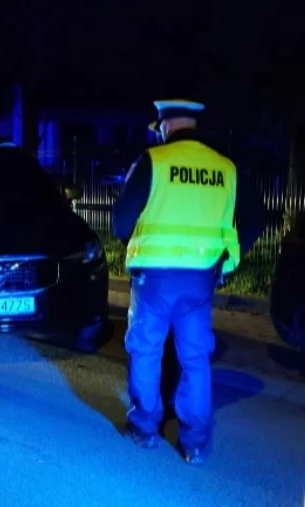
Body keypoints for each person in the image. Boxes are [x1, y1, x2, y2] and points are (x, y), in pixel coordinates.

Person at [112, 99, 241, 465]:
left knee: (147, 351)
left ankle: (145, 429)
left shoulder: (154, 162)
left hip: (154, 279)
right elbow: (229, 226)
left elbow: (121, 222)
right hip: (200, 280)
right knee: (196, 359)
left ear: (165, 125)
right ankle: (195, 444)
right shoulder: (224, 168)